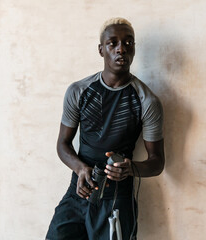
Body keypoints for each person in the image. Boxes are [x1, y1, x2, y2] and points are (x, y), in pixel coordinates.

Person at [46, 17, 165, 240]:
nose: (121, 49)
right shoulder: (78, 91)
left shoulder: (147, 101)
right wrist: (80, 169)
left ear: (134, 49)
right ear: (101, 50)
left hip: (117, 199)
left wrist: (131, 168)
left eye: (128, 43)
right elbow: (62, 144)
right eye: (113, 43)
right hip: (79, 190)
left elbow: (157, 162)